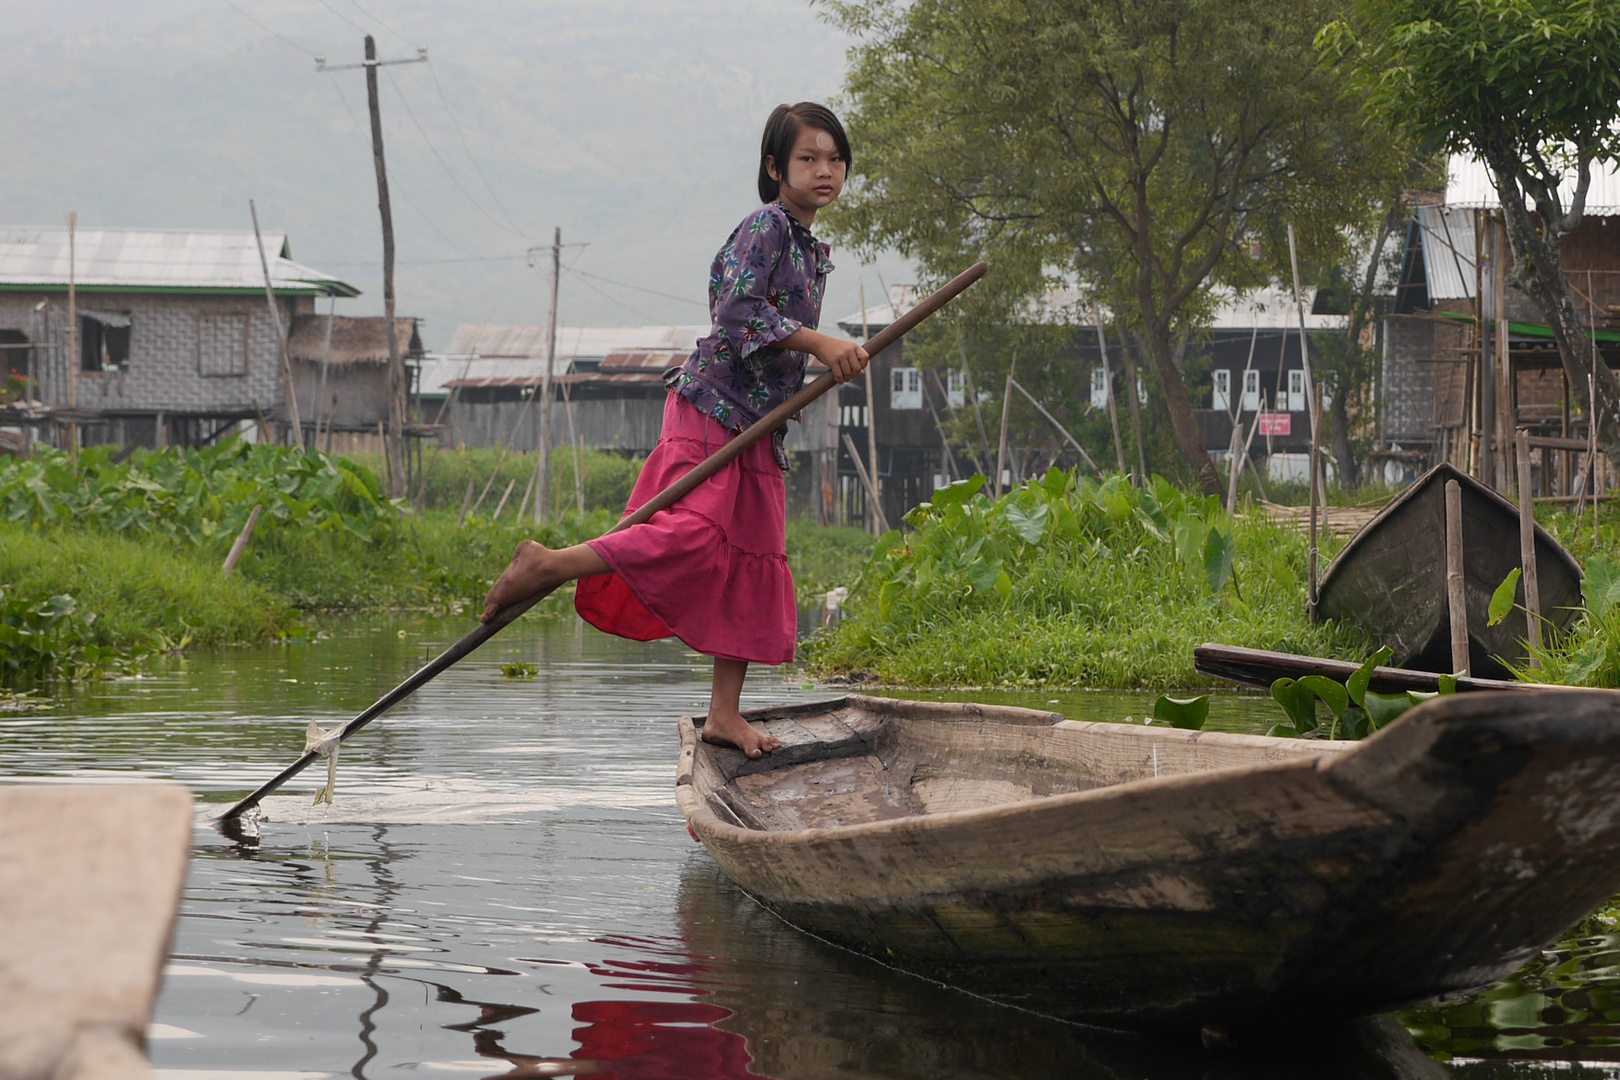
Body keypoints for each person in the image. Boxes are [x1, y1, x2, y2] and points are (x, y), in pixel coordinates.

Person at [480, 102, 869, 759]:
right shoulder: (768, 227)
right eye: (809, 158)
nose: (825, 170)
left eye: (835, 159)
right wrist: (823, 344)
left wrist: (825, 360)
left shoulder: (809, 248)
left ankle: (724, 715)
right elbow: (736, 312)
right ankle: (551, 564)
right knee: (693, 537)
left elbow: (774, 339)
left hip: (758, 426)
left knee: (752, 561)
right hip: (713, 408)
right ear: (776, 168)